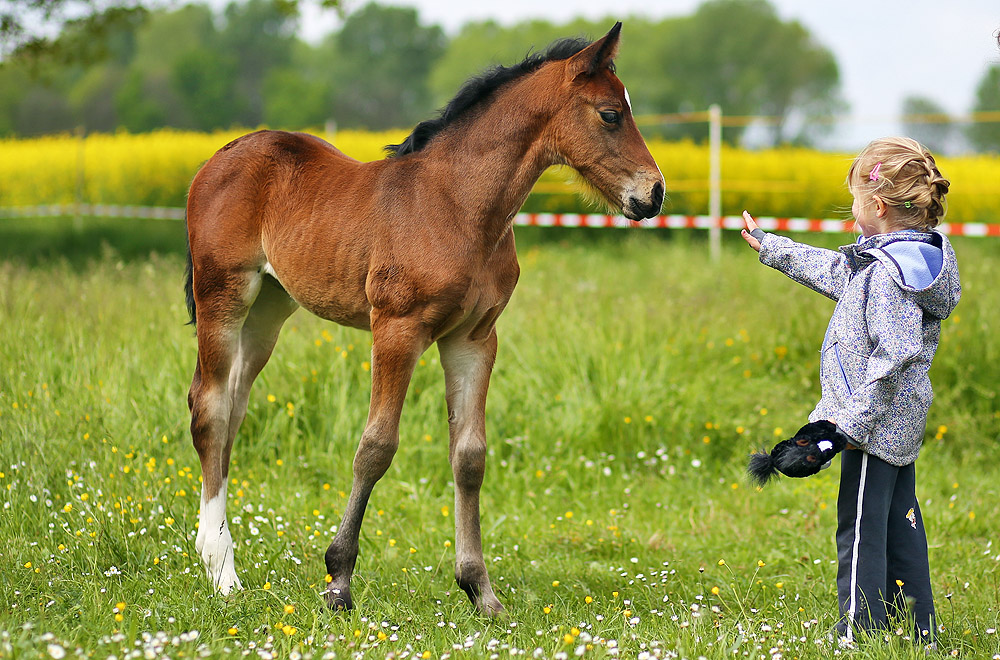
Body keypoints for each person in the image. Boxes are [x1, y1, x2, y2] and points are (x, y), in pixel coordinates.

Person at [741, 137, 961, 648]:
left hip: (872, 425)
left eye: (856, 202)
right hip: (895, 423)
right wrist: (774, 247)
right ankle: (918, 628)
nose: (853, 212)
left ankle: (860, 633)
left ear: (877, 206)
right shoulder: (904, 261)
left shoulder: (888, 277)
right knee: (900, 523)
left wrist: (845, 428)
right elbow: (838, 272)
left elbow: (895, 354)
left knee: (859, 528)